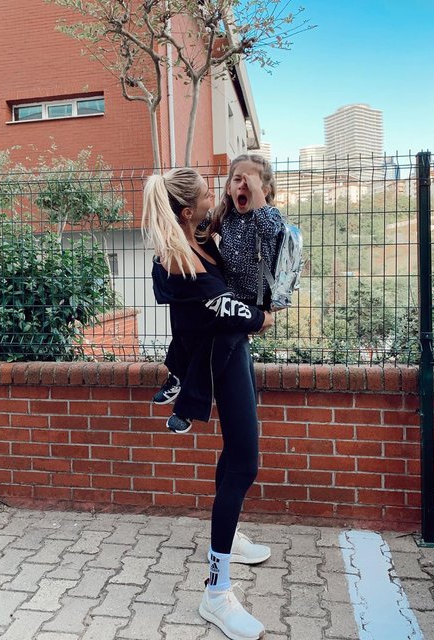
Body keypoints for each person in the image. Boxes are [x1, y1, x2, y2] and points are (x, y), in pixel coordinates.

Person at [142, 167, 273, 640]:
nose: (212, 197)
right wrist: (261, 318)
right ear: (185, 211)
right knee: (245, 462)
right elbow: (225, 309)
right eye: (204, 194)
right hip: (221, 360)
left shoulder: (197, 238)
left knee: (236, 453)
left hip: (232, 354)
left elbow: (238, 218)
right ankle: (216, 593)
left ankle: (229, 537)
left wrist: (250, 189)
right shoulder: (179, 262)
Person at [156, 154, 283, 432]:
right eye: (237, 180)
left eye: (251, 182)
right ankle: (176, 375)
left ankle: (186, 408)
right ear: (228, 188)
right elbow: (195, 226)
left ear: (265, 189)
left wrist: (257, 194)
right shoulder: (225, 216)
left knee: (215, 345)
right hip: (228, 294)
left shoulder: (268, 216)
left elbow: (271, 231)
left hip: (251, 299)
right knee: (187, 331)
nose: (244, 186)